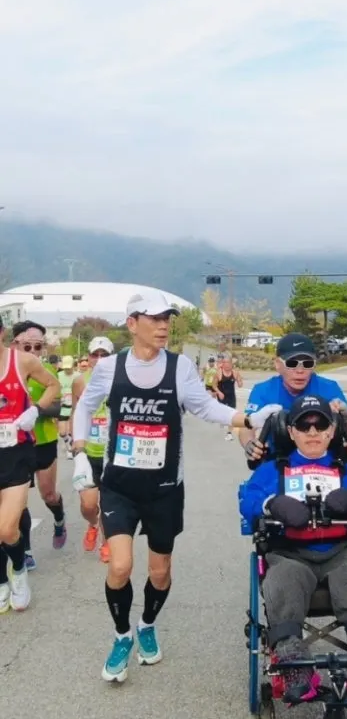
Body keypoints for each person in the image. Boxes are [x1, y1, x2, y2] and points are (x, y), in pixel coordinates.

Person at [71, 290, 263, 683]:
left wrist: (249, 418)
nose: (163, 326)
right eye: (154, 319)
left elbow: (204, 407)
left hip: (164, 488)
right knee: (120, 566)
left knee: (160, 572)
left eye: (166, 319)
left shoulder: (179, 367)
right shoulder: (110, 368)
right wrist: (78, 449)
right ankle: (122, 635)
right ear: (132, 324)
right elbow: (86, 406)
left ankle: (146, 624)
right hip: (119, 486)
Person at [239, 395, 347, 704]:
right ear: (291, 432)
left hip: (341, 549)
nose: (312, 432)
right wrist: (272, 503)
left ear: (331, 431)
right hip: (290, 550)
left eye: (320, 425)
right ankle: (293, 663)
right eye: (303, 426)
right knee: (283, 578)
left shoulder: (345, 469)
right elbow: (247, 500)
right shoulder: (273, 469)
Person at [0, 315, 59, 613]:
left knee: (6, 528)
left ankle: (19, 569)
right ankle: (2, 582)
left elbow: (53, 385)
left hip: (16, 453)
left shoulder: (22, 361)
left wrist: (35, 410)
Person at [239, 333, 347, 457]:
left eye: (307, 364)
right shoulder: (263, 390)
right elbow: (247, 427)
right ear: (278, 364)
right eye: (292, 363)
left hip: (325, 460)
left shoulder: (329, 387)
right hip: (278, 459)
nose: (300, 371)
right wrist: (249, 444)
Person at [10, 321, 66, 565]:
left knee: (48, 494)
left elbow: (58, 406)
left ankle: (59, 518)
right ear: (15, 344)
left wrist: (32, 409)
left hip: (44, 440)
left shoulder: (47, 372)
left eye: (38, 347)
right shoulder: (8, 368)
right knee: (18, 501)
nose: (33, 352)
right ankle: (26, 552)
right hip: (16, 444)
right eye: (27, 346)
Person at [71, 335, 114, 562]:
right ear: (88, 357)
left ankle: (106, 542)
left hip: (112, 454)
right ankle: (93, 524)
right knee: (88, 506)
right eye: (95, 355)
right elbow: (75, 412)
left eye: (104, 355)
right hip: (88, 453)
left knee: (108, 503)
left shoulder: (121, 380)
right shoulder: (80, 381)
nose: (99, 359)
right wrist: (75, 443)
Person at [215, 355, 243, 441]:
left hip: (231, 396)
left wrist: (239, 382)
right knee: (222, 412)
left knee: (232, 414)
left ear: (231, 364)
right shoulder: (219, 373)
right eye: (225, 363)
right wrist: (218, 392)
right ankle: (222, 420)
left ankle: (229, 433)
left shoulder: (235, 373)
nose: (226, 365)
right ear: (223, 364)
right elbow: (214, 385)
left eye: (228, 363)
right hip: (221, 395)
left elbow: (240, 383)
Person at [58, 355, 76, 459]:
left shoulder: (78, 376)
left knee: (70, 430)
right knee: (62, 432)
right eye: (65, 368)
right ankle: (68, 443)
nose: (67, 370)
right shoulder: (58, 375)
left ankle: (70, 449)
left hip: (73, 407)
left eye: (69, 367)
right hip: (62, 406)